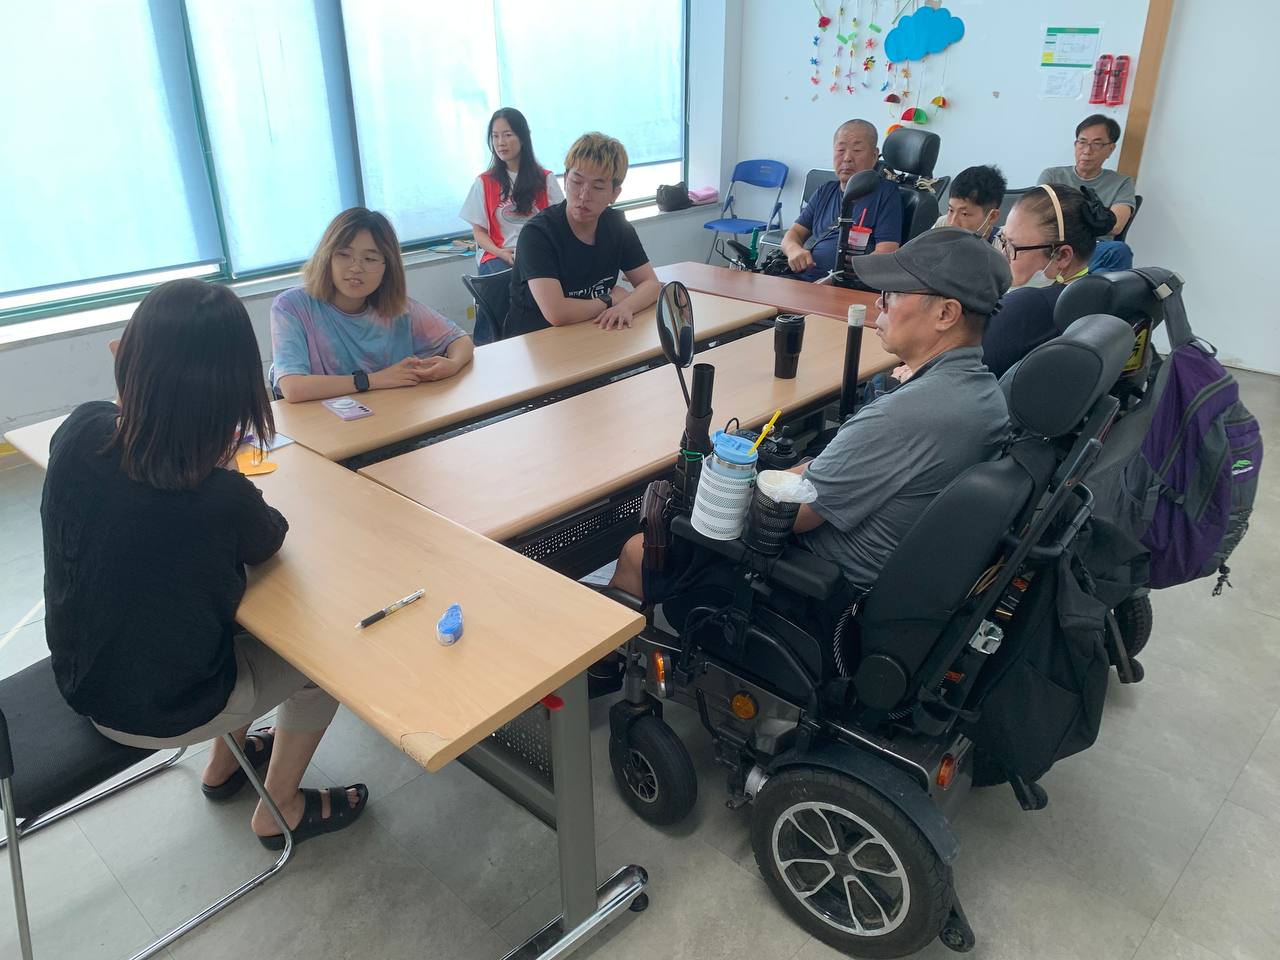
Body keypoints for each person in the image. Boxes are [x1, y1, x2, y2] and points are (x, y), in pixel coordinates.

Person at [42, 279, 366, 849]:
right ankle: (280, 808)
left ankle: (225, 764)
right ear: (233, 392)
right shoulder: (219, 496)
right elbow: (268, 540)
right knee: (324, 659)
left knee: (220, 614)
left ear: (130, 363)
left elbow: (129, 459)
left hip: (79, 674)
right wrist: (221, 466)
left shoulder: (77, 431)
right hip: (165, 709)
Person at [610, 229, 1011, 602]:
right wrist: (800, 471)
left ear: (946, 314)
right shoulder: (986, 396)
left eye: (893, 293)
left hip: (810, 591)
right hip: (883, 584)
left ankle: (606, 669)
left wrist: (725, 482)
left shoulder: (906, 415)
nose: (878, 302)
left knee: (637, 550)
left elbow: (791, 515)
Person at [271, 207, 473, 402]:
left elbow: (460, 340)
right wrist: (374, 380)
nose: (356, 268)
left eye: (369, 258)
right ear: (327, 257)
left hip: (393, 417)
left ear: (387, 266)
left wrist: (452, 364)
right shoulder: (292, 307)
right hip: (327, 427)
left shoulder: (399, 309)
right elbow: (293, 387)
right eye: (344, 255)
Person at [505, 131, 660, 338]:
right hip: (536, 340)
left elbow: (651, 284)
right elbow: (557, 313)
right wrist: (610, 300)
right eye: (577, 182)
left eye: (597, 187)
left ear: (615, 194)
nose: (584, 195)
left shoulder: (617, 226)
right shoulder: (538, 234)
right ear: (565, 180)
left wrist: (627, 306)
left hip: (592, 331)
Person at [983, 183, 1117, 378]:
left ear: (1062, 256)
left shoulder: (1023, 306)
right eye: (1002, 240)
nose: (1002, 255)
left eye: (1012, 247)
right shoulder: (1098, 296)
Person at [779, 119, 904, 282]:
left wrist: (843, 277)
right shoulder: (825, 191)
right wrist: (794, 250)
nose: (847, 158)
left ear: (874, 156)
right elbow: (794, 233)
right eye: (840, 150)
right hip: (806, 280)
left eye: (857, 150)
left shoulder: (886, 194)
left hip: (848, 287)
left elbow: (886, 252)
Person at [459, 107, 565, 284]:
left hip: (538, 253)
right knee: (507, 284)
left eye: (507, 135)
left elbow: (561, 226)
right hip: (497, 254)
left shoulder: (546, 179)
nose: (501, 142)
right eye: (495, 136)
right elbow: (478, 232)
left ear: (522, 137)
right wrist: (500, 252)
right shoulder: (483, 182)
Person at [1038, 114, 1136, 271]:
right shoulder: (1052, 175)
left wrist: (1067, 217)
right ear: (1075, 144)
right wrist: (1094, 218)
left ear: (1110, 149)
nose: (1087, 151)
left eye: (1096, 144)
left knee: (1118, 252)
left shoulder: (1121, 183)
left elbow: (1115, 225)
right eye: (1082, 142)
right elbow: (1042, 216)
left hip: (1094, 249)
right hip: (1054, 246)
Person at [933, 164, 1006, 240]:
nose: (952, 223)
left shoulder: (1004, 248)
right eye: (951, 210)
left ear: (992, 217)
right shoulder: (941, 226)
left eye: (964, 214)